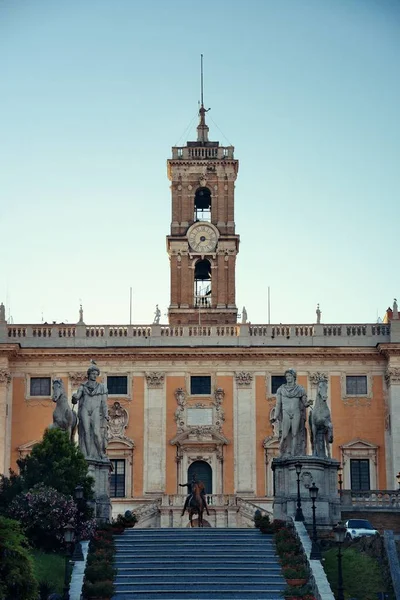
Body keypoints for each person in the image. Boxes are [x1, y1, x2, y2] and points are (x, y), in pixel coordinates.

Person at [72, 360, 109, 460]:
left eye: (96, 374)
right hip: (85, 409)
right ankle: (88, 455)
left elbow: (104, 403)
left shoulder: (101, 387)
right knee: (86, 432)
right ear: (89, 374)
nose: (94, 375)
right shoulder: (83, 387)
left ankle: (100, 452)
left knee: (96, 432)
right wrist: (74, 398)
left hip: (95, 410)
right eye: (93, 373)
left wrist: (106, 414)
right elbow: (77, 396)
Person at [271, 369, 312, 457]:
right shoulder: (281, 390)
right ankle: (281, 452)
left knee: (295, 434)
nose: (288, 378)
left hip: (296, 412)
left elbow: (304, 403)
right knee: (284, 435)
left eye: (290, 376)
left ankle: (293, 454)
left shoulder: (300, 389)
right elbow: (278, 404)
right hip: (286, 412)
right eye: (287, 376)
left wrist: (308, 403)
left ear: (294, 377)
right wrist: (275, 416)